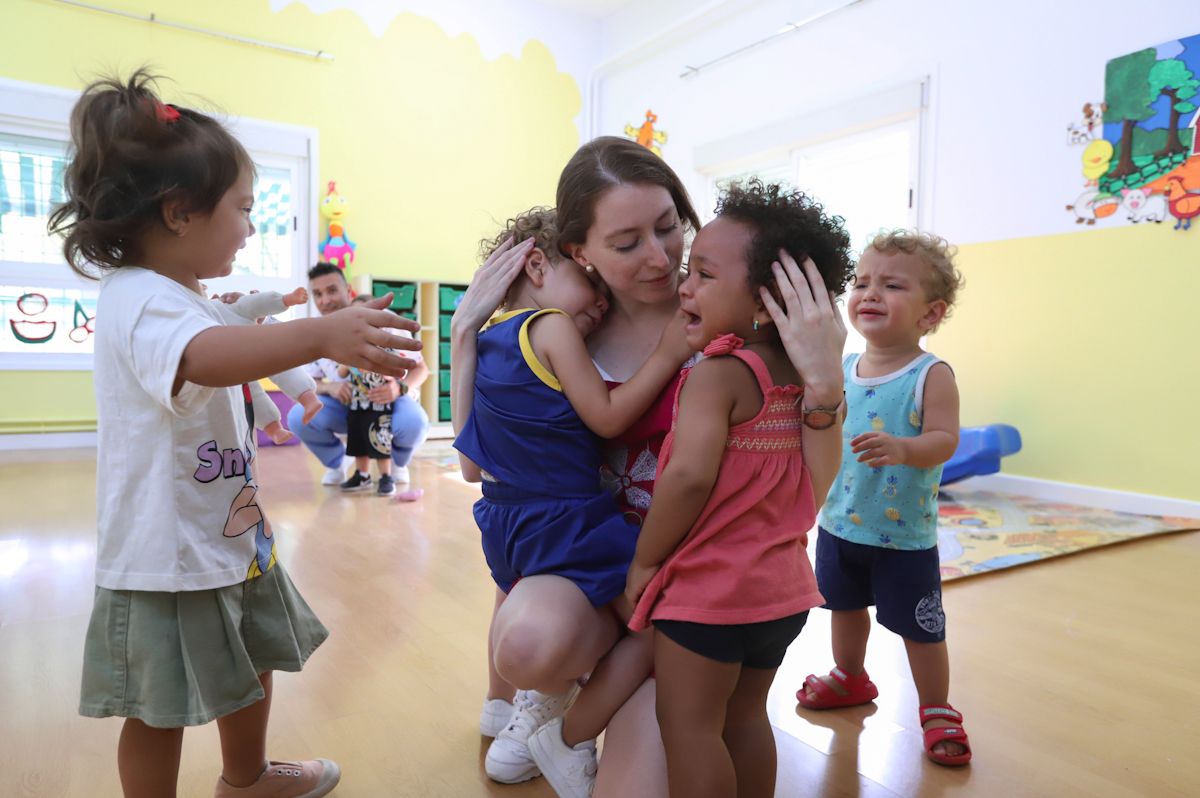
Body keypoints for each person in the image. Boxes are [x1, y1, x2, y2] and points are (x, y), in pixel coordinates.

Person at [50, 70, 420, 798]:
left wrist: (289, 335)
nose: (251, 226)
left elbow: (227, 325)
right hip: (163, 555)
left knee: (255, 656)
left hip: (227, 533)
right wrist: (322, 332)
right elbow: (206, 357)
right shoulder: (137, 299)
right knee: (158, 710)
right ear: (181, 211)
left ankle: (246, 779)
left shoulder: (178, 293)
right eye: (243, 209)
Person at [452, 136, 848, 798]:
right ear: (581, 252)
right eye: (628, 242)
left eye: (670, 228)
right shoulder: (564, 332)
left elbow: (813, 490)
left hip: (694, 595)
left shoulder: (736, 326)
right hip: (603, 575)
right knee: (528, 644)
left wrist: (826, 390)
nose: (663, 259)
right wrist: (465, 333)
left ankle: (582, 716)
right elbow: (479, 471)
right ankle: (551, 701)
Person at [622, 180, 853, 798]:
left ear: (763, 303)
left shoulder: (717, 376)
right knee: (746, 720)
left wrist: (646, 558)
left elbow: (689, 475)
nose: (684, 286)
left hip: (709, 595)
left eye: (701, 275)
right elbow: (814, 480)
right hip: (782, 596)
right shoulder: (803, 384)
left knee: (689, 729)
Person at [452, 207, 689, 791]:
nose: (602, 302)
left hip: (506, 526)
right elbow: (607, 419)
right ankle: (563, 722)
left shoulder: (486, 342)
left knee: (598, 618)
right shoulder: (551, 326)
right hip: (568, 520)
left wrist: (461, 336)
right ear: (536, 264)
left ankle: (526, 703)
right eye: (590, 280)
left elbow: (467, 464)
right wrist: (667, 353)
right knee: (653, 626)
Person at [796, 230, 971, 767]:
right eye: (862, 282)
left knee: (921, 627)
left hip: (904, 537)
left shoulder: (930, 375)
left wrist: (903, 447)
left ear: (930, 313)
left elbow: (945, 440)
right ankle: (850, 675)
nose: (869, 293)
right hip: (840, 524)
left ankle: (937, 707)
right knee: (843, 608)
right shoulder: (844, 369)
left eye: (891, 285)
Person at [286, 263, 430, 489]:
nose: (325, 300)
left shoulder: (384, 320)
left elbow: (421, 369)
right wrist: (330, 387)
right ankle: (339, 462)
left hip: (388, 401)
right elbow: (309, 381)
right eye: (318, 294)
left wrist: (399, 388)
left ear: (348, 290)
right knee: (298, 416)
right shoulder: (315, 332)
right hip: (347, 404)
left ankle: (396, 463)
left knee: (415, 422)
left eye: (332, 290)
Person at [209, 286, 323, 444]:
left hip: (251, 346)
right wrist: (287, 299)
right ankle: (275, 430)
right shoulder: (207, 312)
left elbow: (258, 303)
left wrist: (288, 299)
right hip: (234, 363)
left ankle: (308, 401)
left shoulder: (235, 306)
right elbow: (258, 303)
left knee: (280, 368)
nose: (226, 297)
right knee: (251, 395)